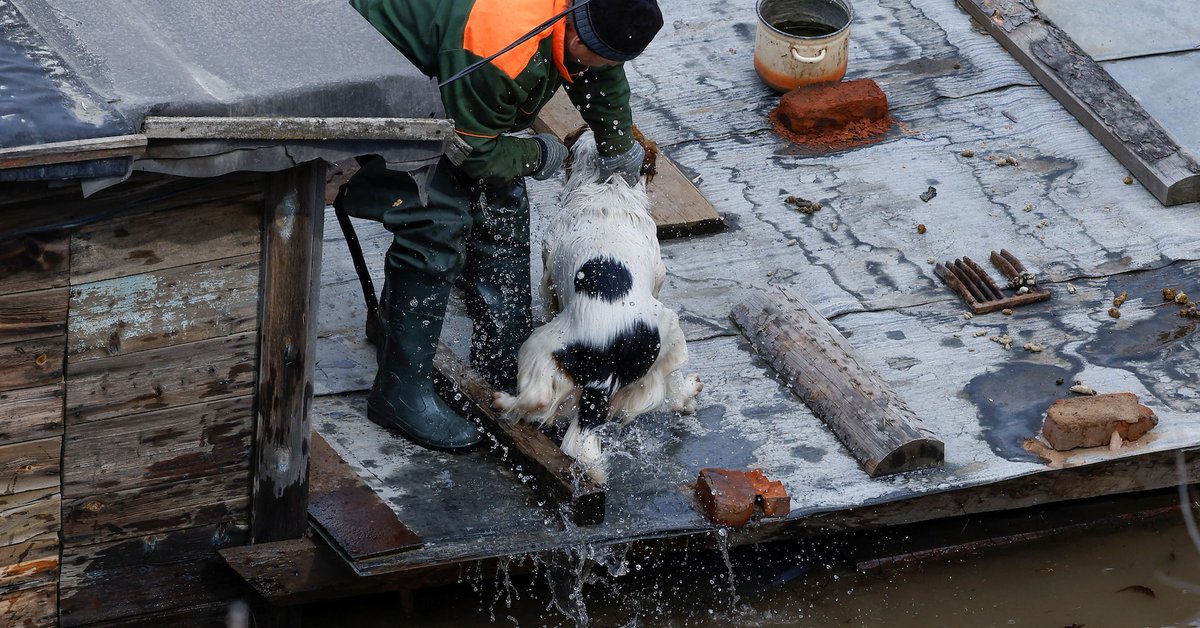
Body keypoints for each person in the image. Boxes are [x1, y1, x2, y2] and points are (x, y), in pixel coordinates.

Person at [337, 0, 665, 451]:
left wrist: (618, 142)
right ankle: (400, 392)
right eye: (602, 57)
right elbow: (472, 152)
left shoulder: (585, 14)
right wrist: (537, 155)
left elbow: (599, 72)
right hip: (360, 68)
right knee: (438, 219)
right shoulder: (502, 45)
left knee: (503, 201)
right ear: (575, 37)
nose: (605, 68)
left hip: (451, 66)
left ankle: (503, 358)